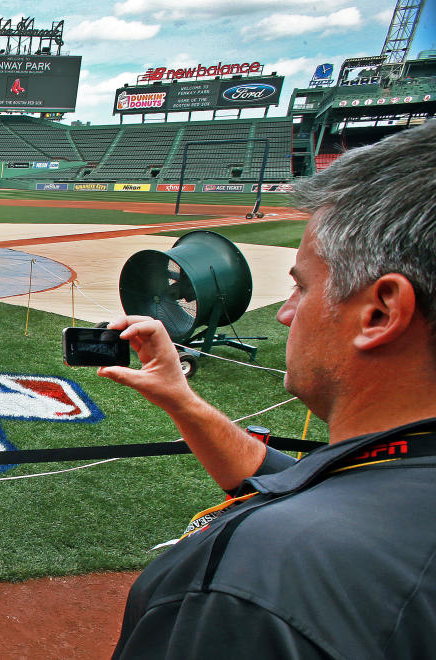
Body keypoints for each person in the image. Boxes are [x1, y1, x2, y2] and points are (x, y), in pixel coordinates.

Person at [105, 121, 436, 658]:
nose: (285, 314)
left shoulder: (258, 582)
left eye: (302, 286)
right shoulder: (404, 476)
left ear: (379, 312)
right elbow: (317, 485)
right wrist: (183, 403)